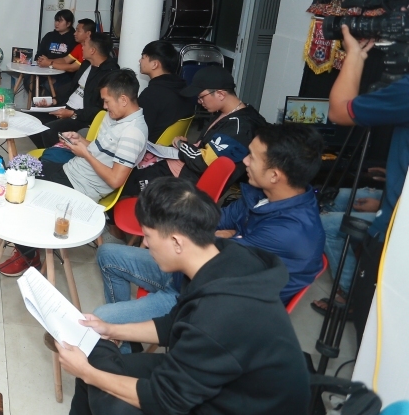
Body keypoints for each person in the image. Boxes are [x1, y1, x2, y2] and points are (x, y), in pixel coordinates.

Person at [59, 177, 311, 415]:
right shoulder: (220, 256)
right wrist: (111, 329)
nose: (146, 244)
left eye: (148, 236)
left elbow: (164, 399)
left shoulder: (220, 315)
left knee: (104, 394)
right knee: (94, 363)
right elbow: (174, 323)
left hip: (241, 404)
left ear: (177, 242)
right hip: (217, 376)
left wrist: (87, 373)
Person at [94, 124, 326, 336]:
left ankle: (121, 335)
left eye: (252, 157)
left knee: (100, 320)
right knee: (107, 254)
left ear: (275, 175)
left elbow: (213, 258)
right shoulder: (264, 195)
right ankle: (125, 340)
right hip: (193, 274)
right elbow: (215, 221)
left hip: (209, 302)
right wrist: (226, 236)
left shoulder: (292, 233)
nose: (245, 161)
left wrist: (222, 237)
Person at [0, 70, 147, 276]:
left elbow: (116, 180)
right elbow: (100, 150)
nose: (105, 107)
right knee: (14, 172)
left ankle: (28, 256)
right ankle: (24, 242)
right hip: (71, 170)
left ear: (123, 99)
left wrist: (85, 154)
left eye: (107, 101)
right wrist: (80, 141)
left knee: (18, 188)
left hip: (81, 187)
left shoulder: (133, 133)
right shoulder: (116, 117)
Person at [313, 24, 409, 314]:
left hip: (397, 220)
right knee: (338, 198)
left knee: (329, 225)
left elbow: (340, 110)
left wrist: (353, 55)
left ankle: (349, 296)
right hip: (395, 195)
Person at [123, 65, 265, 198]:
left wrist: (182, 145)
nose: (199, 101)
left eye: (201, 96)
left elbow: (202, 162)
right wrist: (187, 147)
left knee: (125, 184)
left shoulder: (241, 128)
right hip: (182, 168)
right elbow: (206, 149)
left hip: (185, 181)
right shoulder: (225, 112)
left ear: (220, 94)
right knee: (129, 170)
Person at [30, 32, 119, 149]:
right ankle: (46, 151)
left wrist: (72, 113)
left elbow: (100, 109)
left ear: (92, 50)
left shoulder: (110, 73)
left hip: (81, 116)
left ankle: (51, 155)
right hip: (66, 107)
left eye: (85, 44)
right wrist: (54, 102)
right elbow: (72, 88)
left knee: (49, 130)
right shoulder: (86, 64)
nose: (82, 47)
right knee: (31, 119)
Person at [136, 40, 195, 141]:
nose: (139, 61)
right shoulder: (185, 89)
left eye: (143, 57)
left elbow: (138, 132)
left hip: (150, 146)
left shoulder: (151, 95)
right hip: (171, 146)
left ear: (154, 64)